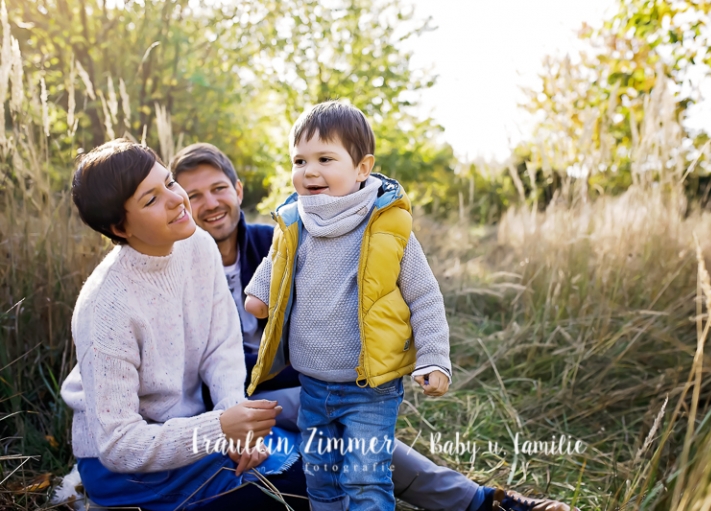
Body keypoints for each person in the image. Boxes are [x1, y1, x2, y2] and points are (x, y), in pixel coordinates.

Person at [172, 141, 578, 511]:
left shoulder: (285, 237)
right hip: (224, 402)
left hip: (298, 385)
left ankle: (485, 502)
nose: (210, 203)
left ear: (238, 191)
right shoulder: (178, 272)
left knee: (354, 438)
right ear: (182, 206)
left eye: (219, 188)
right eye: (194, 195)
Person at [59, 140, 309, 511]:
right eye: (150, 200)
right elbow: (118, 445)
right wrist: (220, 430)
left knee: (319, 473)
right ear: (119, 227)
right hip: (129, 470)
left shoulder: (198, 245)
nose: (176, 200)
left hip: (199, 432)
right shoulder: (105, 306)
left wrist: (235, 425)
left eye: (170, 182)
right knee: (291, 494)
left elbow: (220, 347)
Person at [243, 101, 450, 511]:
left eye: (325, 158)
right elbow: (276, 265)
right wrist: (260, 294)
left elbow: (424, 296)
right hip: (313, 386)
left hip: (369, 387)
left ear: (362, 168)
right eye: (299, 160)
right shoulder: (292, 224)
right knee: (320, 476)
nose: (310, 170)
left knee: (365, 477)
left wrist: (434, 359)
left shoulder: (388, 227)